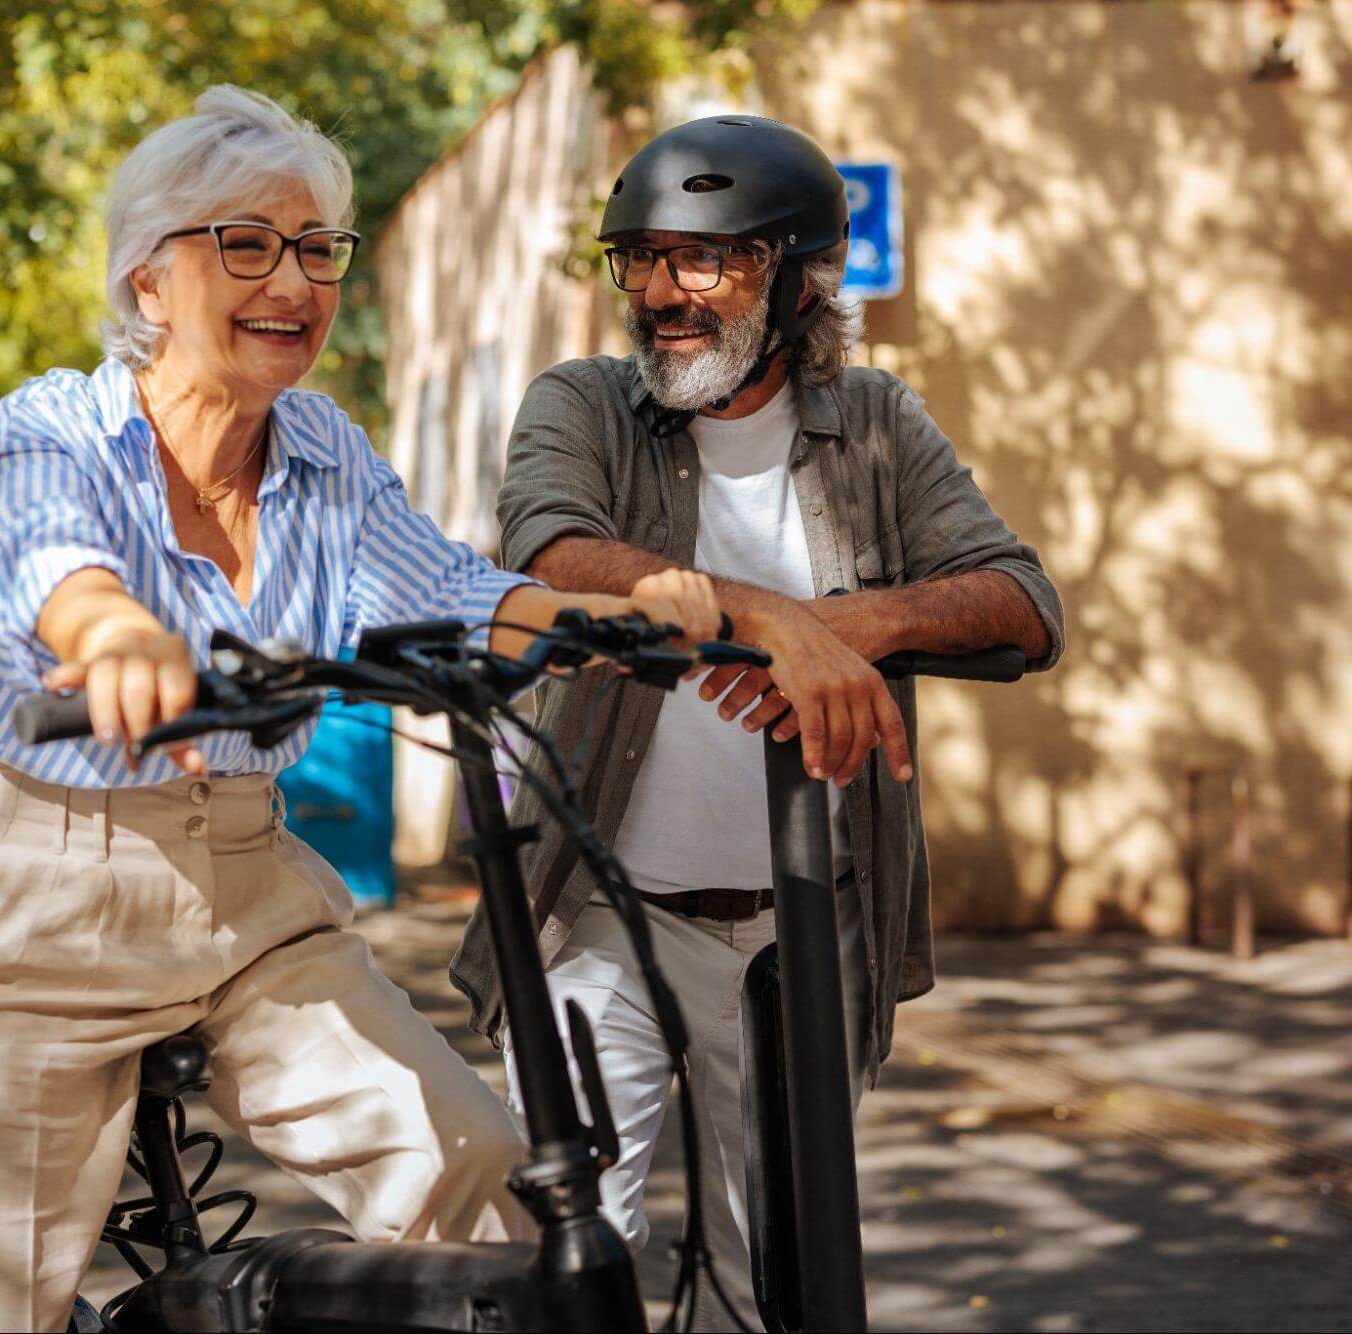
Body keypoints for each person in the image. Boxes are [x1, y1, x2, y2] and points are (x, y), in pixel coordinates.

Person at [0, 86, 720, 1334]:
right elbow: (48, 559)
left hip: (251, 891)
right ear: (147, 281)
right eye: (245, 244)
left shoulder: (323, 447)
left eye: (317, 249)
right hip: (39, 895)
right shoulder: (53, 426)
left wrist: (603, 618)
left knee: (487, 1190)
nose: (292, 281)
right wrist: (116, 636)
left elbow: (448, 593)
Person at [450, 114, 1066, 1327]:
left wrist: (856, 623)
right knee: (566, 1257)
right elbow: (552, 548)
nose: (659, 293)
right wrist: (775, 624)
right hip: (598, 913)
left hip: (802, 933)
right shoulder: (581, 401)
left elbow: (1023, 601)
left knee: (772, 1276)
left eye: (702, 259)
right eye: (640, 257)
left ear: (794, 280)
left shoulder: (877, 424)